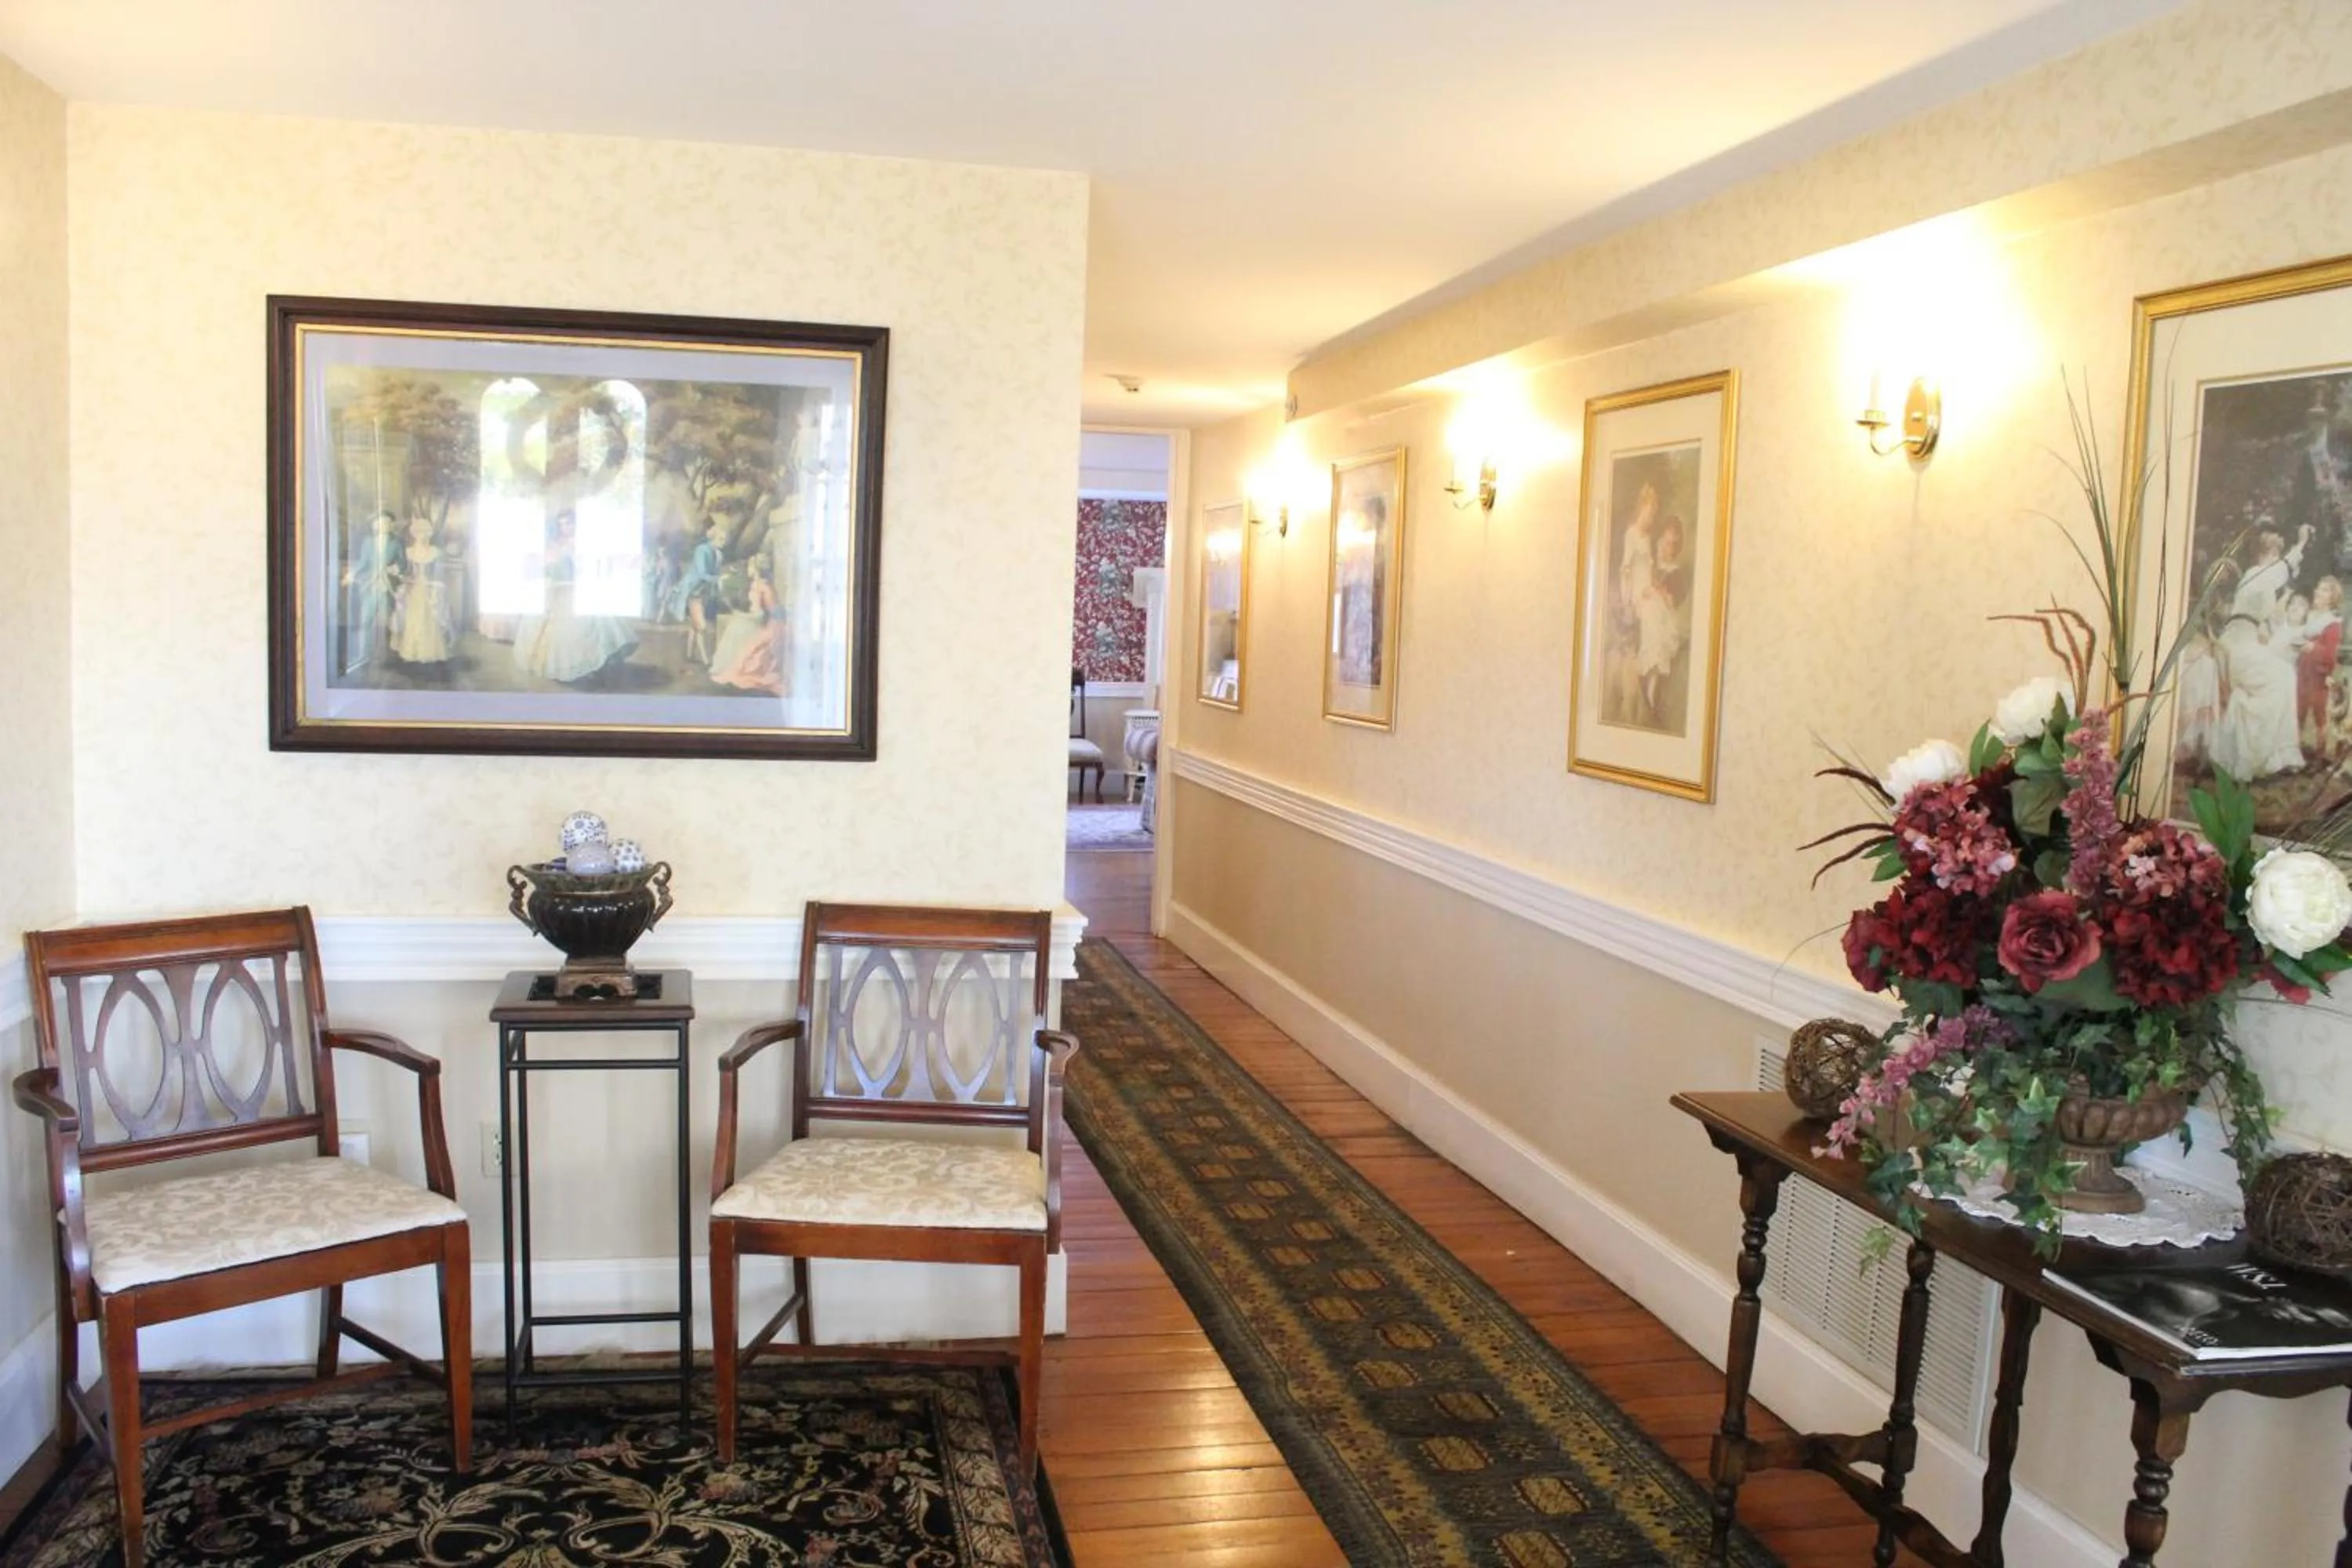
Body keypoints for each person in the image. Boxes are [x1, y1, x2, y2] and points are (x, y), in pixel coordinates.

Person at [2211, 523, 2310, 782]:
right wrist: (2301, 543)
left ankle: (2270, 752)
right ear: (2267, 554)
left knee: (2284, 674)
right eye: (2275, 553)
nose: (2278, 557)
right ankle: (2262, 753)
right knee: (2283, 677)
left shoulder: (2259, 583)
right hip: (2237, 649)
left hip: (2245, 645)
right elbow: (2282, 570)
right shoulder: (2256, 574)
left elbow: (2268, 621)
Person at [513, 513, 638, 684]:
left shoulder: (585, 544)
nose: (567, 528)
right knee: (563, 631)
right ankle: (574, 668)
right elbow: (546, 568)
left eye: (570, 524)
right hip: (558, 591)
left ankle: (592, 665)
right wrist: (550, 574)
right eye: (563, 525)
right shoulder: (555, 545)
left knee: (592, 628)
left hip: (579, 589)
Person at [712, 555, 787, 695]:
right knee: (738, 625)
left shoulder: (758, 586)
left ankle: (734, 669)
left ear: (756, 569)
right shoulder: (766, 584)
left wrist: (740, 615)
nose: (748, 569)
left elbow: (758, 615)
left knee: (737, 627)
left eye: (750, 566)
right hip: (778, 625)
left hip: (772, 626)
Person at [343, 509, 404, 668]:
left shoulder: (396, 543)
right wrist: (352, 574)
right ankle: (364, 654)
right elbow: (363, 563)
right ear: (374, 525)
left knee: (389, 621)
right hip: (371, 587)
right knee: (366, 620)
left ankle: (387, 655)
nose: (384, 525)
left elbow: (403, 563)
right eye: (381, 523)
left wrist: (396, 568)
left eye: (388, 523)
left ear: (392, 525)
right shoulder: (368, 542)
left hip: (387, 588)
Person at [392, 517, 452, 665]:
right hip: (414, 587)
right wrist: (404, 579)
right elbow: (407, 571)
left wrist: (436, 586)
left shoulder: (435, 552)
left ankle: (430, 650)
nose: (423, 536)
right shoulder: (410, 552)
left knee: (429, 617)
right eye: (419, 533)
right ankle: (412, 650)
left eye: (426, 533)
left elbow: (439, 573)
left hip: (430, 587)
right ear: (414, 534)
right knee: (413, 617)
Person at [2301, 575, 2347, 755]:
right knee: (2298, 711)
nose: (2319, 592)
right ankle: (2297, 751)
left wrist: (2314, 648)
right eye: (2319, 588)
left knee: (2319, 715)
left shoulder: (2333, 623)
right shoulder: (2309, 615)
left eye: (2325, 590)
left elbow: (2330, 654)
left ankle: (2320, 755)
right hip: (2301, 670)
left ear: (2333, 598)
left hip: (2318, 674)